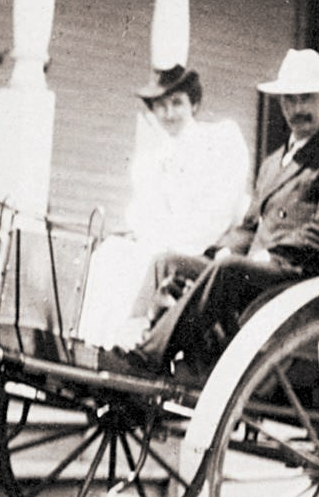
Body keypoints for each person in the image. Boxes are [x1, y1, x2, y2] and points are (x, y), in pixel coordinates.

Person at [119, 47, 319, 375]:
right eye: (289, 100)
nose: (298, 109)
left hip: (305, 278)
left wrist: (269, 254)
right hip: (263, 273)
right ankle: (134, 340)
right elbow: (249, 226)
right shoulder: (272, 164)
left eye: (307, 98)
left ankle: (147, 358)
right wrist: (223, 250)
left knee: (228, 272)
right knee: (167, 262)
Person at [75, 65, 250, 349]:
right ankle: (92, 346)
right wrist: (144, 233)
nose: (169, 114)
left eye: (177, 103)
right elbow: (143, 212)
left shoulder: (218, 142)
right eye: (161, 106)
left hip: (206, 244)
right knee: (109, 254)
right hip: (163, 241)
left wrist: (165, 239)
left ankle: (130, 346)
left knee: (143, 261)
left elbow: (218, 211)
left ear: (194, 104)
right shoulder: (154, 159)